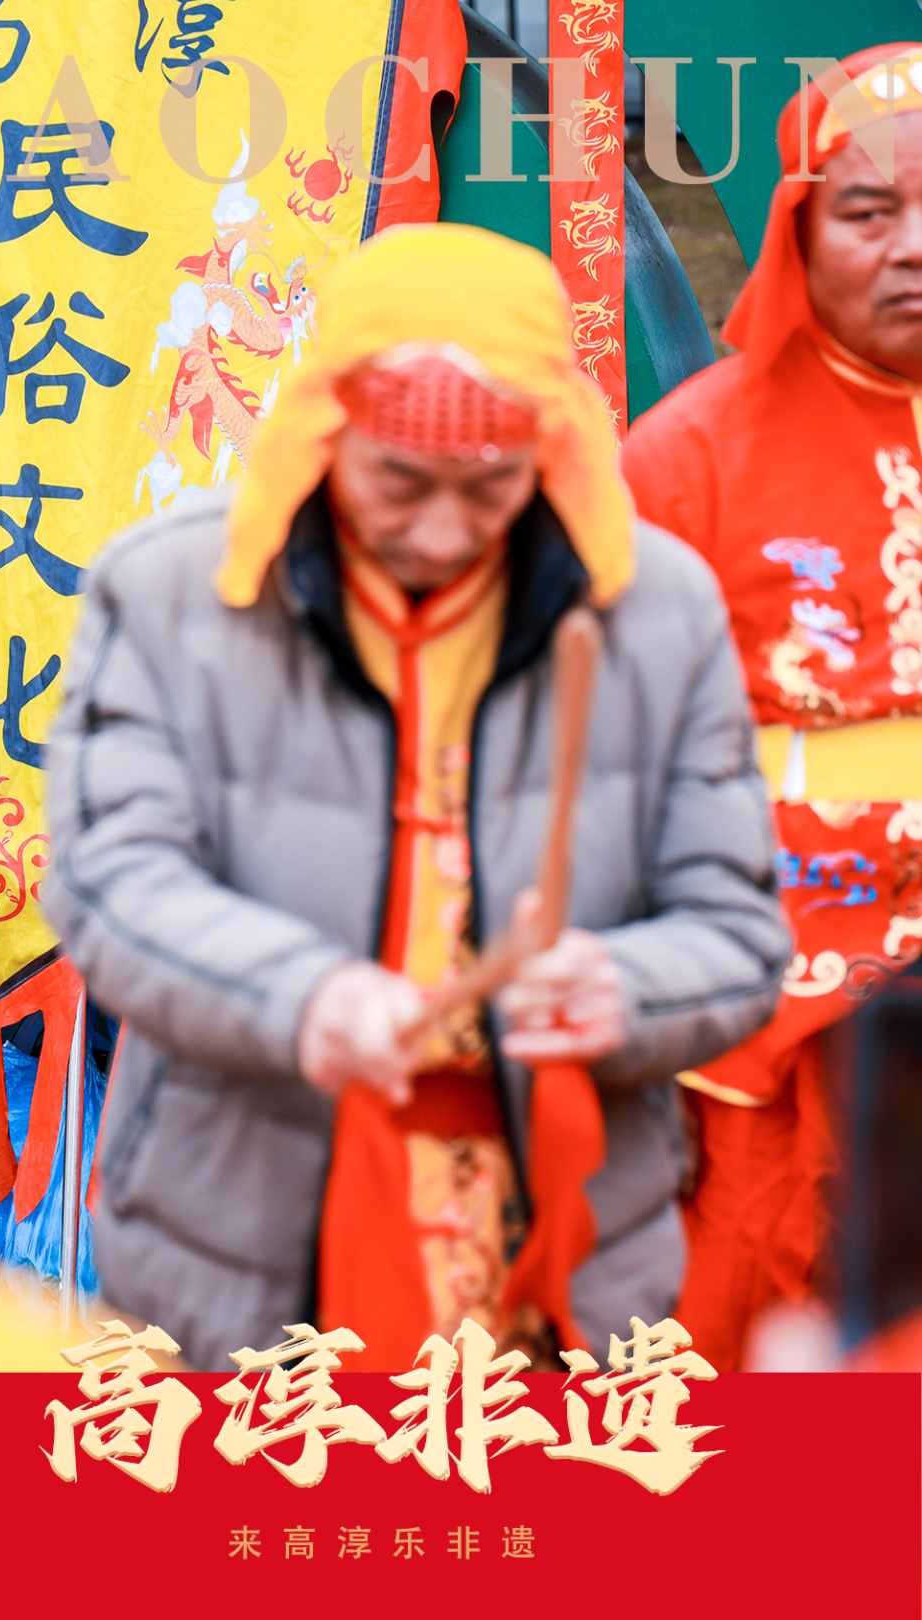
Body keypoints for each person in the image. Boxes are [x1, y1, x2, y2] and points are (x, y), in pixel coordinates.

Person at [43, 223, 787, 1373]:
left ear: (548, 452)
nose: (442, 529)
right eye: (397, 480)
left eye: (490, 486)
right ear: (323, 432)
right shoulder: (169, 593)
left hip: (560, 1239)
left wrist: (627, 987)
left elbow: (737, 933)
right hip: (246, 1214)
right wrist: (305, 997)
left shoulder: (660, 610)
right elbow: (111, 881)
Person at [623, 44, 922, 1369]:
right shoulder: (684, 459)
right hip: (760, 1018)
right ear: (799, 226)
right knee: (735, 1381)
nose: (914, 247)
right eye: (869, 210)